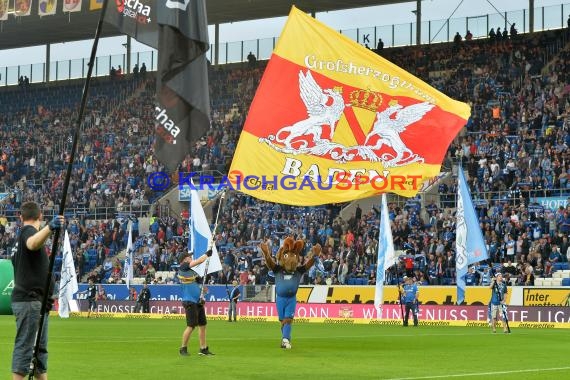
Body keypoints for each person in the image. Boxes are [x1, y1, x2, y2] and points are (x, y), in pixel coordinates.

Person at [11, 202, 64, 379]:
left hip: (37, 302)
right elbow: (33, 244)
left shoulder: (18, 241)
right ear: (40, 216)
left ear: (20, 217)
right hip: (30, 301)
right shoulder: (28, 232)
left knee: (39, 355)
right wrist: (50, 228)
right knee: (26, 350)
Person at [177, 249, 215, 356]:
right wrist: (206, 255)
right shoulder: (183, 267)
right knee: (191, 326)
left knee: (203, 325)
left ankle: (203, 348)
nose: (191, 257)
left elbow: (199, 283)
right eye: (189, 256)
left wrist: (203, 290)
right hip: (189, 301)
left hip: (197, 301)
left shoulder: (192, 271)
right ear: (185, 259)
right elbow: (198, 261)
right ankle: (183, 348)